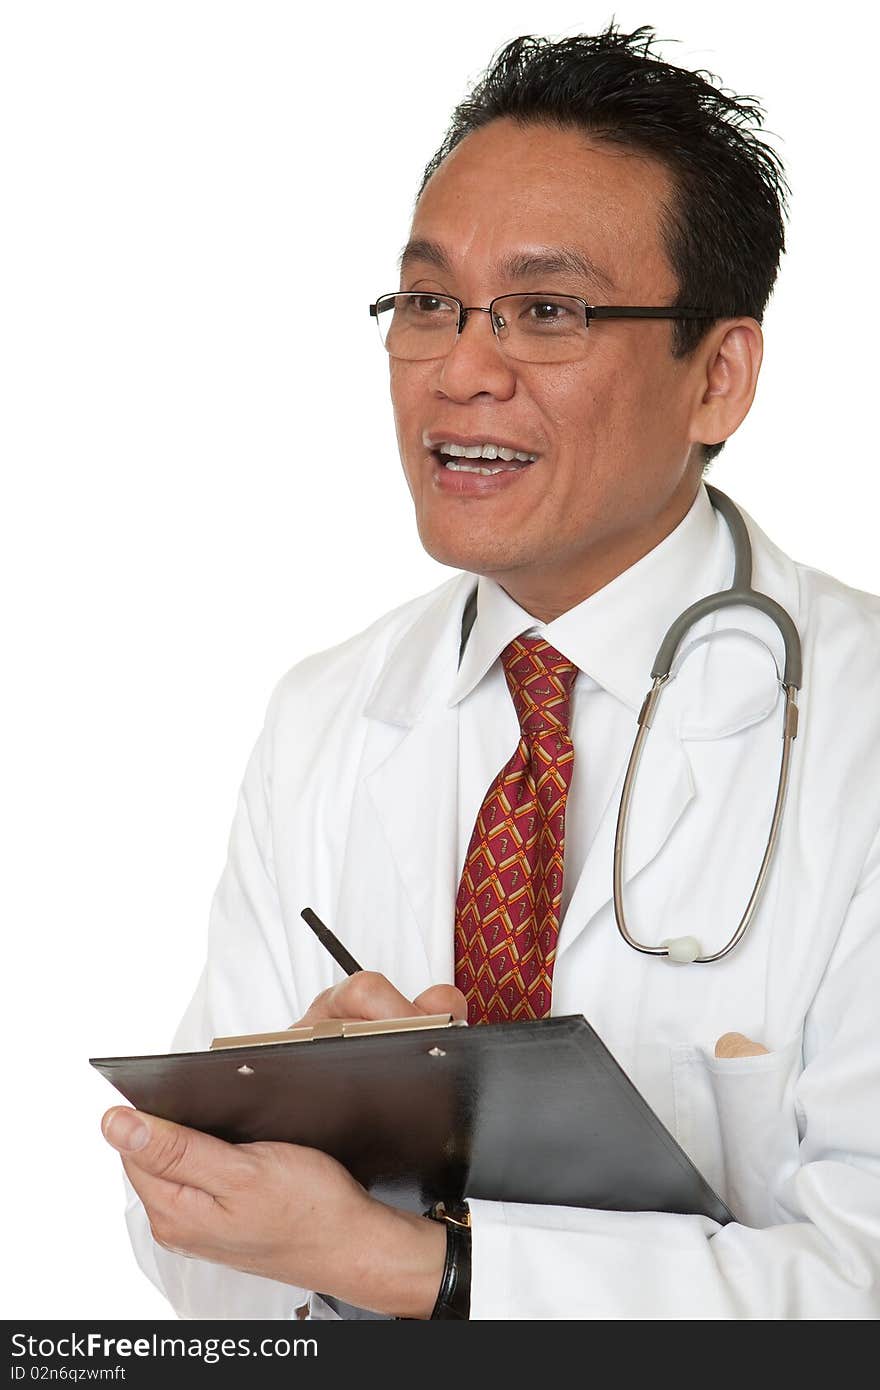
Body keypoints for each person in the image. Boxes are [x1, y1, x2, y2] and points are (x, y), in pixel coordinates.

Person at [101, 25, 880, 1319]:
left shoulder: (860, 729)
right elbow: (196, 1243)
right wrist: (292, 1133)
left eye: (548, 311)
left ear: (719, 378)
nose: (461, 370)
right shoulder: (328, 713)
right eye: (427, 303)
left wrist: (411, 1265)